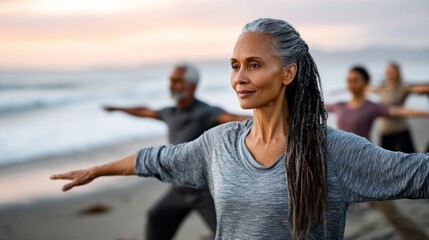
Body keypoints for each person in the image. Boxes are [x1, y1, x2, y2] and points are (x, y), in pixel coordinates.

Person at [51, 18, 429, 240]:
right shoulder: (218, 146)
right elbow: (157, 159)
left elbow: (418, 174)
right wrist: (97, 170)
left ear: (287, 73)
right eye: (234, 65)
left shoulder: (333, 150)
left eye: (253, 65)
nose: (239, 78)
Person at [103, 62, 249, 240]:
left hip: (206, 191)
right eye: (171, 80)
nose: (171, 85)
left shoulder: (206, 112)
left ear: (192, 86)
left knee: (227, 234)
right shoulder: (169, 113)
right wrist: (118, 108)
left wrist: (270, 121)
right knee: (156, 217)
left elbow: (234, 118)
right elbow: (145, 111)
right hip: (179, 190)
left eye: (177, 81)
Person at [325, 65, 429, 240]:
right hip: (338, 170)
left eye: (356, 80)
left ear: (365, 83)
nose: (351, 84)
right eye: (349, 81)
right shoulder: (340, 105)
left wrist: (425, 114)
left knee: (395, 217)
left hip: (367, 169)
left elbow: (398, 111)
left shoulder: (372, 106)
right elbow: (314, 106)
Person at [370, 62, 429, 153]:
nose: (390, 74)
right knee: (386, 162)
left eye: (392, 72)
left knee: (410, 159)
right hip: (385, 131)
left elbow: (419, 90)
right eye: (388, 72)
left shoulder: (403, 87)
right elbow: (366, 89)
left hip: (401, 130)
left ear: (398, 73)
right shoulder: (381, 87)